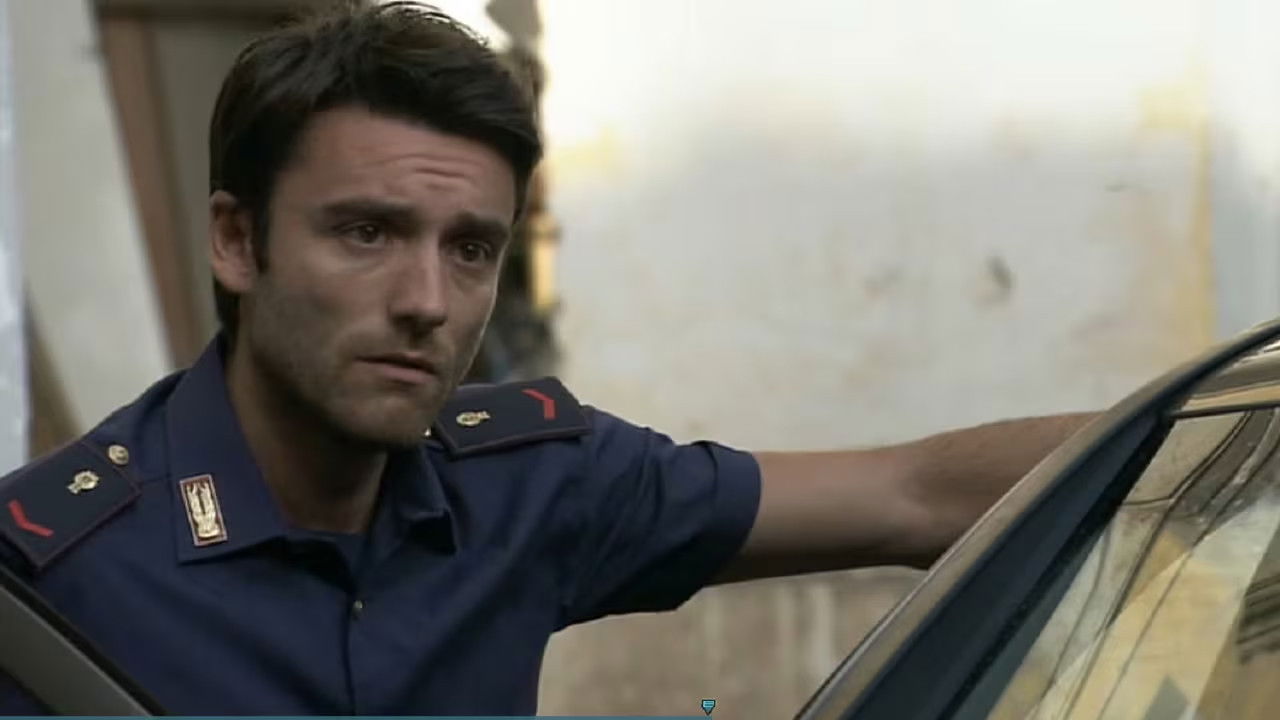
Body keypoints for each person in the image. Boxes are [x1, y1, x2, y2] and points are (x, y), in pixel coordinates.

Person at [0, 2, 1093, 715]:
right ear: (238, 242)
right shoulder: (52, 578)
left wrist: (1188, 429)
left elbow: (913, 496)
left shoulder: (527, 484)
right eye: (366, 232)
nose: (428, 302)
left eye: (470, 248)